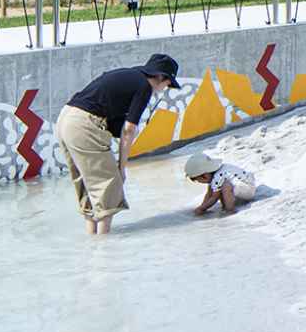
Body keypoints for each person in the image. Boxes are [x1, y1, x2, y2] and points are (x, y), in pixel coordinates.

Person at [55, 52, 178, 236]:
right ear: (161, 77)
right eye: (168, 84)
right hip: (83, 124)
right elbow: (129, 130)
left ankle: (91, 240)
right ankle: (104, 245)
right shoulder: (144, 86)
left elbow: (115, 122)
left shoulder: (128, 75)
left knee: (88, 185)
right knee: (109, 185)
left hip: (65, 118)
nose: (165, 88)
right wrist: (121, 168)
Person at [184, 150, 259, 216]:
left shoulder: (218, 176)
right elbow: (209, 194)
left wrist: (202, 208)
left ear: (205, 175)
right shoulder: (215, 175)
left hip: (248, 189)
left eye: (198, 180)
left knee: (225, 186)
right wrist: (202, 206)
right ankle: (225, 206)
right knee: (217, 187)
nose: (199, 182)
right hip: (243, 187)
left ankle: (230, 210)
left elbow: (214, 198)